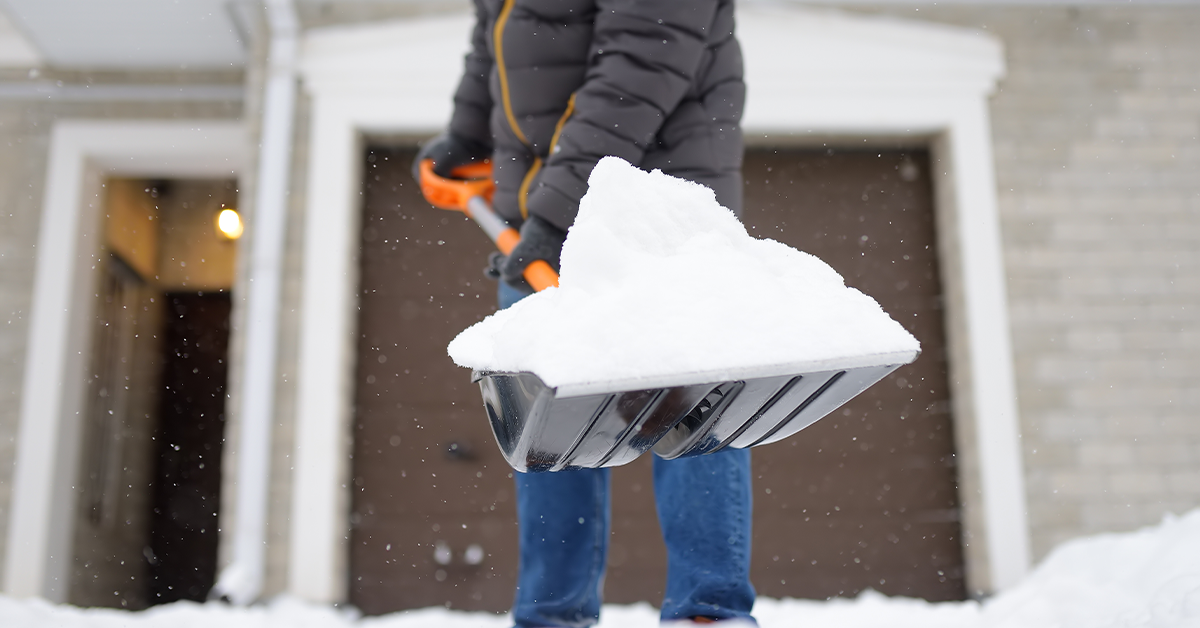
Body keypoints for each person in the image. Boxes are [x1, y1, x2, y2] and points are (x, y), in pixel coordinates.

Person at [414, 1, 753, 625]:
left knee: (692, 411)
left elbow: (645, 58)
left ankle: (708, 611)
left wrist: (555, 210)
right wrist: (467, 131)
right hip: (547, 210)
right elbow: (498, 38)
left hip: (657, 204)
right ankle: (551, 614)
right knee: (548, 421)